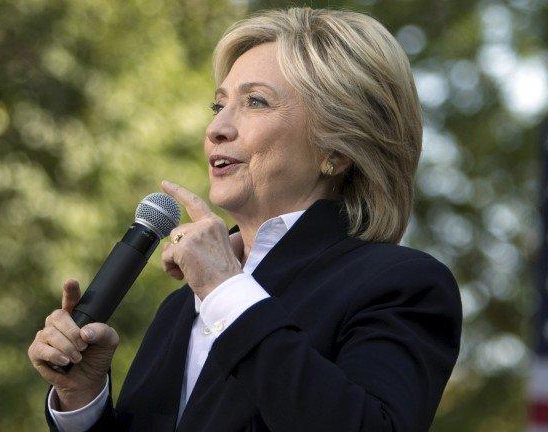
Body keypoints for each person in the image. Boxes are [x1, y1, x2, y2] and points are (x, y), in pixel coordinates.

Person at [27, 6, 462, 432]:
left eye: (256, 102)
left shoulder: (403, 285)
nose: (218, 129)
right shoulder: (180, 309)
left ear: (338, 149)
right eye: (218, 106)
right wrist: (83, 400)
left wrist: (225, 289)